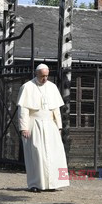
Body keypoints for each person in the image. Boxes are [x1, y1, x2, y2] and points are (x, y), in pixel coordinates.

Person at [16, 63, 69, 192]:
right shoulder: (27, 87)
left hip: (50, 125)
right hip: (35, 124)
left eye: (46, 76)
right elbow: (23, 110)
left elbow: (56, 109)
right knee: (37, 155)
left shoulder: (52, 87)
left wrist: (59, 126)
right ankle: (35, 184)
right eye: (42, 76)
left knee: (54, 154)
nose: (45, 78)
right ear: (36, 74)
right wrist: (24, 128)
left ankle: (52, 184)